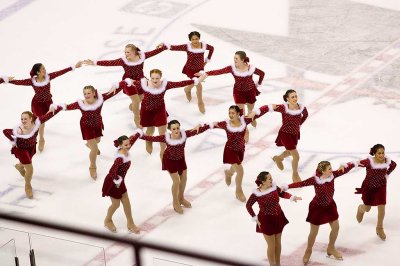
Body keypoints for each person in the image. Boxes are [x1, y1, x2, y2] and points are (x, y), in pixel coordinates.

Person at [52, 80, 131, 179]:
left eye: (88, 93)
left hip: (97, 124)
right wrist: (56, 107)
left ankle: (91, 146)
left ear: (94, 93)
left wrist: (121, 84)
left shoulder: (101, 99)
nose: (86, 95)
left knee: (97, 141)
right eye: (84, 93)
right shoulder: (80, 103)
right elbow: (67, 107)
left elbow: (113, 92)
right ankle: (92, 166)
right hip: (86, 126)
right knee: (94, 149)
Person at [282, 161, 356, 265]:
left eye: (331, 168)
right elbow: (301, 183)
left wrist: (351, 164)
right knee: (314, 232)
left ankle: (331, 248)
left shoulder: (333, 175)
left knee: (336, 227)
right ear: (323, 171)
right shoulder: (315, 180)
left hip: (330, 206)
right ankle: (308, 251)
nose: (332, 170)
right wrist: (287, 186)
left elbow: (345, 170)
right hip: (317, 208)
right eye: (329, 169)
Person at [84, 43, 169, 127]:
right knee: (136, 101)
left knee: (142, 98)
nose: (126, 54)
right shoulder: (123, 60)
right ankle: (137, 119)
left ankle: (132, 107)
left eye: (128, 52)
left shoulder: (142, 56)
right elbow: (110, 63)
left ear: (135, 52)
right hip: (128, 83)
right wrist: (95, 62)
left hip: (140, 81)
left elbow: (153, 52)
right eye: (125, 52)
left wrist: (164, 47)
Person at [6, 62, 83, 151]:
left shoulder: (48, 77)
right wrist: (8, 80)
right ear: (38, 72)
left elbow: (60, 72)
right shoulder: (32, 81)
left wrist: (73, 67)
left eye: (44, 68)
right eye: (42, 68)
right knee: (40, 122)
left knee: (42, 122)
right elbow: (19, 82)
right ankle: (41, 138)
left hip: (47, 103)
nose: (45, 70)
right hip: (37, 104)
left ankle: (37, 136)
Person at [139, 120, 211, 214]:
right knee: (176, 181)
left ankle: (181, 198)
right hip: (169, 160)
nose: (176, 130)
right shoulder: (166, 137)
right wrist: (139, 135)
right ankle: (175, 202)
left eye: (177, 128)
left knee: (184, 178)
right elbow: (152, 138)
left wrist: (206, 125)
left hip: (180, 159)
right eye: (174, 128)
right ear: (170, 130)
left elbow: (197, 131)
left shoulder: (184, 135)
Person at [133, 69, 207, 158]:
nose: (155, 80)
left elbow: (180, 83)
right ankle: (148, 142)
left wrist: (196, 80)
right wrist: (118, 85)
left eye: (157, 78)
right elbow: (127, 83)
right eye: (153, 78)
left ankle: (162, 152)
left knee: (162, 134)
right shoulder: (144, 84)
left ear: (160, 78)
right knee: (150, 130)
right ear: (150, 78)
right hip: (147, 111)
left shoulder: (165, 85)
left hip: (160, 111)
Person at [213, 104, 271, 202]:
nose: (230, 115)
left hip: (240, 150)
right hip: (230, 150)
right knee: (240, 171)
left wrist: (269, 107)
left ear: (238, 114)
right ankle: (238, 191)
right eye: (229, 113)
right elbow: (211, 125)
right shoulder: (226, 124)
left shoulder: (244, 121)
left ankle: (228, 173)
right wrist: (200, 126)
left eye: (233, 113)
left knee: (235, 168)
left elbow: (259, 113)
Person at [3, 106, 63, 198]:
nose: (23, 120)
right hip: (21, 150)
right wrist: (13, 141)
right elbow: (5, 131)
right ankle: (27, 186)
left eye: (25, 118)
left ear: (31, 118)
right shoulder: (19, 130)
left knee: (25, 163)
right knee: (30, 169)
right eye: (22, 119)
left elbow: (49, 115)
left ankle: (19, 166)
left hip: (31, 148)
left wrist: (60, 107)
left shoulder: (37, 123)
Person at [246, 171, 301, 266]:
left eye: (271, 178)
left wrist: (292, 197)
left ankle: (278, 264)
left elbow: (282, 194)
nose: (272, 180)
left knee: (278, 244)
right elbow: (248, 205)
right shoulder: (257, 193)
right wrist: (255, 218)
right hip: (266, 220)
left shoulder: (274, 187)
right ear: (263, 182)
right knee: (271, 246)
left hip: (278, 217)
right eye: (269, 179)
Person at [200, 51, 264, 124]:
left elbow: (262, 74)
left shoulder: (250, 68)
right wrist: (207, 73)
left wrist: (258, 84)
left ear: (242, 60)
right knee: (241, 115)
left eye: (236, 58)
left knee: (250, 112)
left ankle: (251, 120)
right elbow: (219, 71)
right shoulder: (232, 68)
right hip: (238, 92)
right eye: (234, 58)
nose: (234, 60)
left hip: (250, 92)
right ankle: (245, 130)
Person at [160, 31, 214, 113]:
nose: (195, 41)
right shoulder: (187, 46)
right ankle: (200, 103)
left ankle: (187, 89)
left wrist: (207, 61)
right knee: (199, 86)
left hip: (200, 70)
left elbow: (212, 48)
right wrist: (164, 45)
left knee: (195, 83)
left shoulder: (203, 45)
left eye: (197, 39)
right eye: (193, 39)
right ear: (190, 40)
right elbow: (174, 47)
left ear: (199, 38)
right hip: (190, 69)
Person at [102, 131, 143, 234]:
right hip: (113, 182)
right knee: (116, 204)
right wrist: (118, 181)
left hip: (120, 181)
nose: (129, 146)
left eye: (129, 144)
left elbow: (132, 141)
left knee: (126, 202)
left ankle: (130, 223)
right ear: (120, 145)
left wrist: (139, 133)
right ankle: (107, 220)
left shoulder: (125, 148)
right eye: (126, 145)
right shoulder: (120, 158)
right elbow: (111, 172)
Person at [355, 144, 397, 240]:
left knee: (382, 207)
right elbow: (355, 164)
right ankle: (360, 209)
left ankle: (379, 227)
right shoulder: (368, 162)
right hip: (369, 187)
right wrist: (344, 166)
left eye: (383, 153)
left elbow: (394, 165)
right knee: (367, 208)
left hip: (381, 187)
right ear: (374, 153)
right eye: (379, 153)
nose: (382, 155)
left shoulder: (387, 161)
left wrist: (386, 174)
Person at [269, 89, 308, 182]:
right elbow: (271, 108)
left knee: (289, 152)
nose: (295, 98)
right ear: (287, 99)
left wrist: (299, 124)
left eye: (296, 96)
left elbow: (305, 115)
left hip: (295, 134)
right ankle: (295, 175)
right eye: (292, 97)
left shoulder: (301, 107)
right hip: (285, 134)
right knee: (296, 156)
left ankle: (278, 158)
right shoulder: (284, 107)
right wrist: (270, 107)